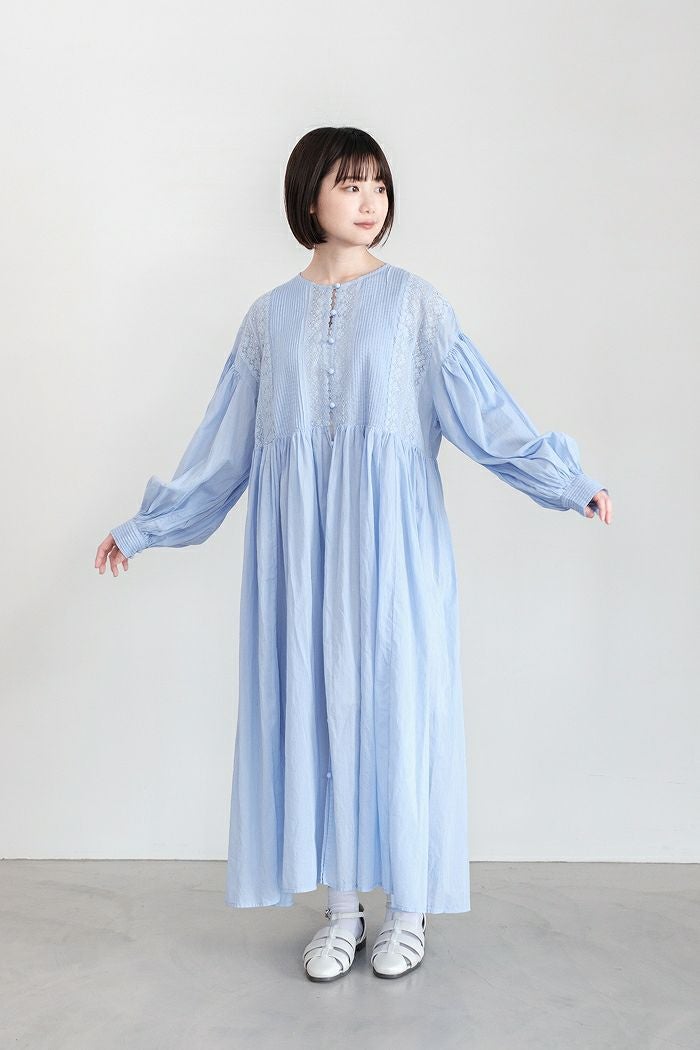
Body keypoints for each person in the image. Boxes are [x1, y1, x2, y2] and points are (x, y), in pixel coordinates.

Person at [95, 126, 612, 983]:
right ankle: (342, 910)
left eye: (378, 184)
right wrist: (148, 526)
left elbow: (486, 414)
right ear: (309, 197)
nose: (370, 201)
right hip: (300, 558)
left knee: (397, 709)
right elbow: (224, 447)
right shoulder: (267, 319)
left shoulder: (416, 306)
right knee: (317, 712)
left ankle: (406, 909)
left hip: (392, 552)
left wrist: (566, 482)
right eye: (349, 184)